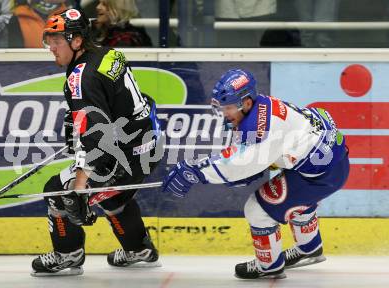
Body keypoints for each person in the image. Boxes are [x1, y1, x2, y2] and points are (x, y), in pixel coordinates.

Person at [162, 69, 350, 279]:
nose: (224, 113)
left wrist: (194, 171)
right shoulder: (261, 106)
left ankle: (269, 265)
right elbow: (249, 157)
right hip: (327, 162)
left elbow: (237, 164)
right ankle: (310, 249)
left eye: (229, 108)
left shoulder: (262, 127)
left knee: (258, 208)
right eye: (221, 108)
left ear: (247, 102)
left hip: (321, 175)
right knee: (296, 202)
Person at [31, 8, 162, 276]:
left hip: (121, 158)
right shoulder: (108, 54)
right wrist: (78, 120)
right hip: (149, 148)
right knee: (115, 195)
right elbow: (132, 100)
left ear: (76, 41)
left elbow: (96, 140)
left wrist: (79, 187)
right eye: (50, 41)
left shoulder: (80, 77)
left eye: (57, 41)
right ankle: (139, 249)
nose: (51, 48)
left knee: (57, 192)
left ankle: (68, 255)